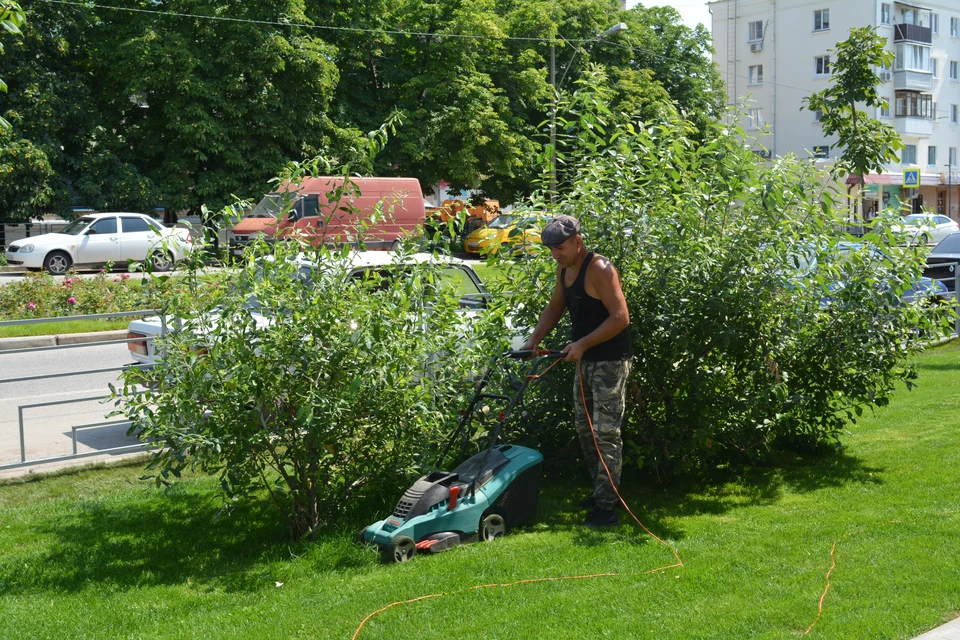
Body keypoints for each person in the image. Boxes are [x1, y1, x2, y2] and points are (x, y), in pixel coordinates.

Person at [520, 215, 632, 528]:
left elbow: (621, 317)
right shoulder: (564, 269)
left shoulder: (599, 269)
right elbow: (555, 307)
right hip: (583, 360)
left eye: (560, 248)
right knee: (585, 430)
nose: (556, 254)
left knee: (606, 434)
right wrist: (533, 340)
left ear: (577, 241)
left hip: (610, 361)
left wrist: (581, 343)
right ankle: (601, 491)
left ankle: (607, 509)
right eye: (551, 249)